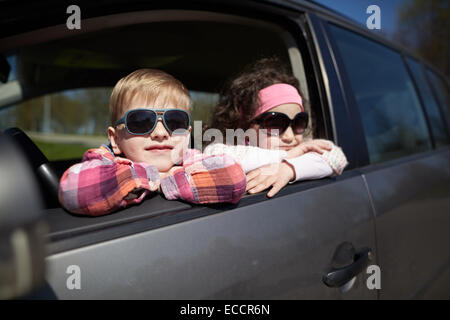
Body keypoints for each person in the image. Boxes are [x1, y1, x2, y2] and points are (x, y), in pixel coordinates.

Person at [58, 69, 246, 216]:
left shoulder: (189, 159)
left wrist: (170, 183)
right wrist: (152, 177)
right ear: (115, 140)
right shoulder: (105, 160)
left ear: (187, 136)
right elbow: (72, 190)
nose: (160, 133)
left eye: (174, 122)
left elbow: (233, 178)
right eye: (140, 121)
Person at [204, 58, 348, 197]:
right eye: (275, 124)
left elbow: (337, 157)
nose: (290, 136)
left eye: (298, 122)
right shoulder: (226, 149)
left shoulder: (301, 150)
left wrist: (288, 169)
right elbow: (214, 157)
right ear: (244, 127)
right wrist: (287, 156)